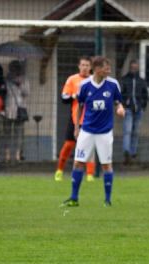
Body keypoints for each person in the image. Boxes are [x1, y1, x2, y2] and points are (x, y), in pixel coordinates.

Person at [62, 56, 124, 207]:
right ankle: (74, 198)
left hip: (105, 132)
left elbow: (118, 103)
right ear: (96, 69)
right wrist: (77, 127)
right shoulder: (84, 86)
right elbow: (80, 107)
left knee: (106, 165)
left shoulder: (113, 84)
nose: (109, 70)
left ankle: (107, 200)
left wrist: (120, 109)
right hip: (87, 131)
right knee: (78, 163)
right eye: (106, 67)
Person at [55, 56, 96, 182]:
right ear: (79, 66)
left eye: (87, 65)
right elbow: (64, 98)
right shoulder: (72, 79)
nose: (84, 67)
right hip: (75, 119)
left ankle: (89, 174)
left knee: (89, 147)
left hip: (90, 119)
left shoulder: (94, 81)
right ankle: (59, 171)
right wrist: (74, 96)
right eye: (82, 65)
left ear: (91, 67)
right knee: (69, 145)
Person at [120, 60, 148, 165]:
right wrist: (123, 104)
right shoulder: (125, 79)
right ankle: (126, 151)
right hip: (128, 108)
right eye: (132, 67)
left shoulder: (141, 80)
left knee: (136, 132)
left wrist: (143, 105)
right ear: (129, 67)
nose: (134, 69)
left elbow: (145, 93)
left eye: (136, 67)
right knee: (127, 130)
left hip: (138, 109)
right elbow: (121, 93)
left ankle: (133, 152)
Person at [5, 60, 30, 162]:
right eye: (13, 68)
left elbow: (27, 92)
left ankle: (17, 155)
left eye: (16, 68)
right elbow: (4, 92)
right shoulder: (7, 79)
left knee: (19, 133)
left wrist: (20, 85)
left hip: (20, 109)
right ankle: (7, 155)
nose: (14, 70)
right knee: (8, 133)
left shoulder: (24, 79)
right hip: (9, 109)